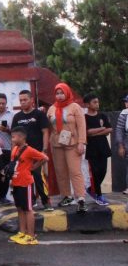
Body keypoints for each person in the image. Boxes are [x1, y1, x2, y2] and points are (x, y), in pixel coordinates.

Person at [47, 83, 88, 213]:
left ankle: (80, 198)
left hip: (73, 142)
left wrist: (82, 143)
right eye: (57, 93)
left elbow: (82, 126)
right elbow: (48, 125)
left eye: (62, 93)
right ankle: (67, 196)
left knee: (75, 171)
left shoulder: (74, 107)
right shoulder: (52, 108)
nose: (59, 96)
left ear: (67, 93)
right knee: (61, 171)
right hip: (57, 143)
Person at [11, 90, 53, 211]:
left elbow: (45, 132)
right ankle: (31, 200)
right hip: (21, 154)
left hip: (36, 152)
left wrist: (44, 149)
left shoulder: (39, 115)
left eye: (25, 100)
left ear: (31, 100)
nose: (23, 102)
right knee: (24, 178)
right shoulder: (17, 117)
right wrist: (13, 155)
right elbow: (13, 137)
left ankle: (46, 201)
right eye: (21, 100)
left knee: (38, 177)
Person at [8, 127, 49, 245]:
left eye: (14, 137)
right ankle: (22, 231)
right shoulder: (15, 149)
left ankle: (31, 235)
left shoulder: (29, 150)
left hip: (26, 183)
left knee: (28, 209)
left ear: (21, 137)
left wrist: (33, 168)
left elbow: (44, 158)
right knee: (20, 208)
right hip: (16, 182)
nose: (12, 139)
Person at [83, 94, 112, 206]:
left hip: (103, 147)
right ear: (87, 104)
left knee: (103, 170)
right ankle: (99, 195)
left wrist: (95, 132)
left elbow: (109, 129)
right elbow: (87, 132)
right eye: (94, 102)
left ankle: (91, 188)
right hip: (92, 149)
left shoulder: (102, 115)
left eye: (98, 102)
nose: (97, 104)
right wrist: (101, 129)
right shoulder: (84, 118)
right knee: (95, 172)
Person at [114, 94, 128, 194]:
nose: (126, 103)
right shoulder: (124, 113)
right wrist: (120, 145)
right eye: (126, 101)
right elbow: (119, 130)